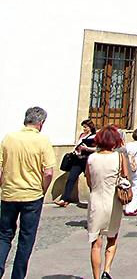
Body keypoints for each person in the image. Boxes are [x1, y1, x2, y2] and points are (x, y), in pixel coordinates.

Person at [0, 106, 55, 279]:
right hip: (32, 195)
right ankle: (17, 276)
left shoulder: (9, 138)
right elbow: (48, 172)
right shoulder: (42, 141)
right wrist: (43, 190)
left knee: (4, 235)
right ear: (41, 123)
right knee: (26, 238)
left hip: (9, 193)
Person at [85, 125, 125, 279]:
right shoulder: (119, 157)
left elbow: (89, 181)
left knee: (96, 242)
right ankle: (107, 270)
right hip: (113, 201)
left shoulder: (91, 158)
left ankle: (96, 276)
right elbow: (125, 178)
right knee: (112, 237)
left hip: (96, 201)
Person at [54, 118, 97, 207]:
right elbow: (77, 146)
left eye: (85, 127)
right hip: (78, 160)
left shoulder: (94, 136)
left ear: (90, 127)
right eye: (83, 127)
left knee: (91, 180)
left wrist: (87, 149)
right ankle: (64, 199)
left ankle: (95, 199)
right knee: (71, 179)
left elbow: (97, 149)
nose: (84, 129)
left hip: (87, 160)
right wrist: (77, 151)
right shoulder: (81, 135)